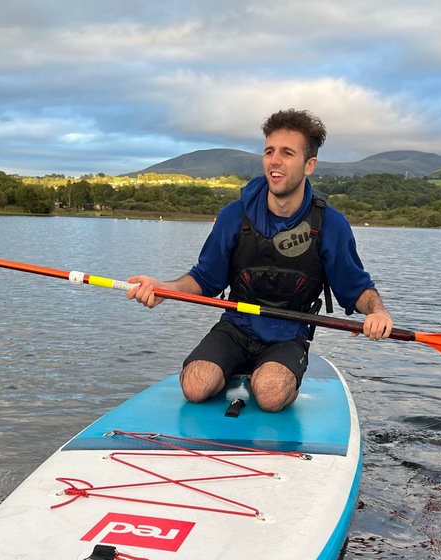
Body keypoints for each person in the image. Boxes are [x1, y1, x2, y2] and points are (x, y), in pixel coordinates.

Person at [128, 108, 393, 412]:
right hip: (236, 327)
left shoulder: (331, 224)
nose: (274, 161)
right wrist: (163, 288)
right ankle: (237, 371)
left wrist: (378, 312)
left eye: (287, 153)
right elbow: (204, 279)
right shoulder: (233, 216)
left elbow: (357, 288)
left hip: (289, 333)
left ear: (309, 165)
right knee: (195, 386)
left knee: (269, 394)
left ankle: (269, 376)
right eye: (269, 151)